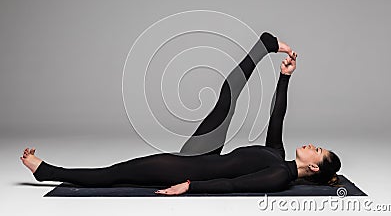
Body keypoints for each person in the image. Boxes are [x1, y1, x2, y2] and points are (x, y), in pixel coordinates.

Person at [20, 32, 341, 195]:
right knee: (227, 95)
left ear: (313, 165)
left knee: (115, 173)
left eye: (317, 150)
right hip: (208, 154)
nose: (312, 144)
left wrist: (190, 186)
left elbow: (234, 186)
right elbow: (277, 116)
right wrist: (285, 77)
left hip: (191, 169)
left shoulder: (280, 176)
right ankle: (265, 44)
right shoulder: (277, 154)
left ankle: (47, 171)